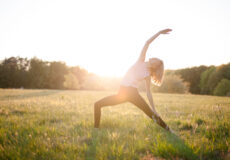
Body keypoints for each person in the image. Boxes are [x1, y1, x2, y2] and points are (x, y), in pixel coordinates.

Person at [94, 29, 173, 132]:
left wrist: (154, 109)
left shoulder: (147, 74)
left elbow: (149, 92)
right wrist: (158, 33)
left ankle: (168, 130)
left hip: (132, 93)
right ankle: (96, 129)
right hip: (122, 94)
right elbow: (147, 43)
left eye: (155, 60)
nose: (153, 58)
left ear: (155, 65)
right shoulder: (141, 60)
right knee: (97, 104)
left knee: (151, 113)